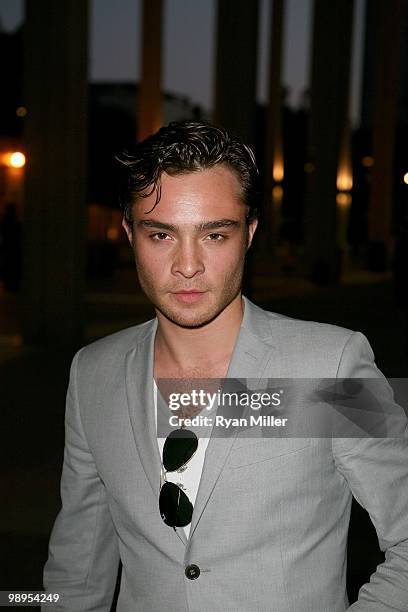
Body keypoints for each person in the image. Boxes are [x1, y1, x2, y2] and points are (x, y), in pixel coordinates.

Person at [43, 121, 408, 611]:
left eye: (214, 234)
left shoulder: (335, 364)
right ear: (130, 234)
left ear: (249, 234)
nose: (188, 265)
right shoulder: (92, 372)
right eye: (161, 234)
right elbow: (76, 567)